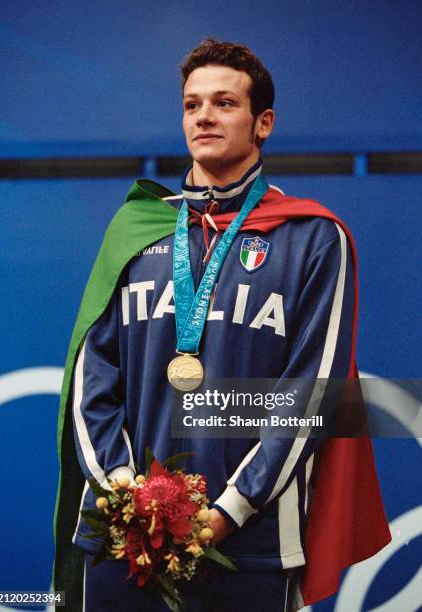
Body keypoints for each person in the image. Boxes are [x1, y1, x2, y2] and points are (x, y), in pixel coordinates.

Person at [54, 39, 390, 611]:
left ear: (263, 123)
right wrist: (125, 496)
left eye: (224, 103)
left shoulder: (312, 238)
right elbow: (92, 378)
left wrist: (227, 513)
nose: (203, 116)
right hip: (125, 541)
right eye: (191, 104)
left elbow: (311, 396)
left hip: (248, 546)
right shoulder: (136, 230)